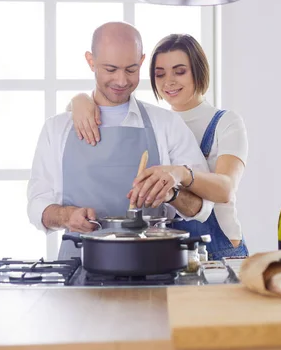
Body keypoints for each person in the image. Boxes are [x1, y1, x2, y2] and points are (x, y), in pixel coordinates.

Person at [27, 23, 213, 260]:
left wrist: (172, 194)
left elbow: (202, 208)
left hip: (152, 267)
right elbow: (36, 205)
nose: (121, 80)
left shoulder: (167, 124)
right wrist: (66, 216)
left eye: (131, 69)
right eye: (111, 69)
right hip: (78, 268)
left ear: (142, 61)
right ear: (90, 61)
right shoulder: (57, 128)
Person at [68, 34, 249, 261]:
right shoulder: (156, 123)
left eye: (180, 71)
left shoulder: (226, 122)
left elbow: (226, 189)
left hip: (218, 249)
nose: (168, 82)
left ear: (199, 70)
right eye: (160, 74)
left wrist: (180, 173)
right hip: (172, 250)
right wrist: (79, 99)